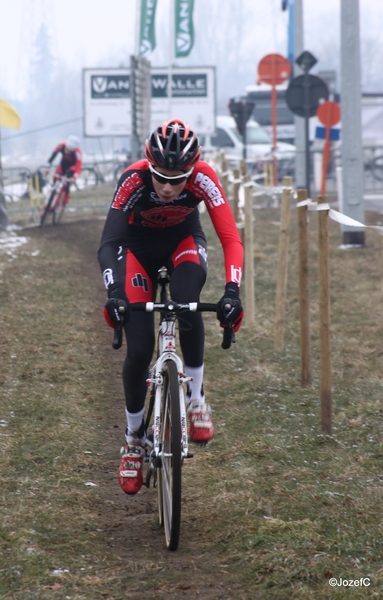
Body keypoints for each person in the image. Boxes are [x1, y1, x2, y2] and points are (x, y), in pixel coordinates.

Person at [98, 119, 244, 495]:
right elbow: (108, 243)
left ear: (192, 172)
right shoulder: (132, 179)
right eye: (160, 177)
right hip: (135, 252)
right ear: (149, 165)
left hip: (183, 242)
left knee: (186, 301)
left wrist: (232, 291)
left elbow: (231, 239)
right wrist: (114, 294)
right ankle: (133, 440)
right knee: (141, 347)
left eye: (177, 179)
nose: (166, 186)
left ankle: (195, 399)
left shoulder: (204, 178)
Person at [44, 135, 82, 206]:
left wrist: (74, 177)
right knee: (56, 178)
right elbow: (51, 158)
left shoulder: (78, 152)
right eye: (67, 149)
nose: (68, 152)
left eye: (70, 151)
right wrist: (47, 167)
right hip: (63, 165)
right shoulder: (61, 146)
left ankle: (64, 200)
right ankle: (50, 202)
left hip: (72, 167)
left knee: (67, 184)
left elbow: (78, 166)